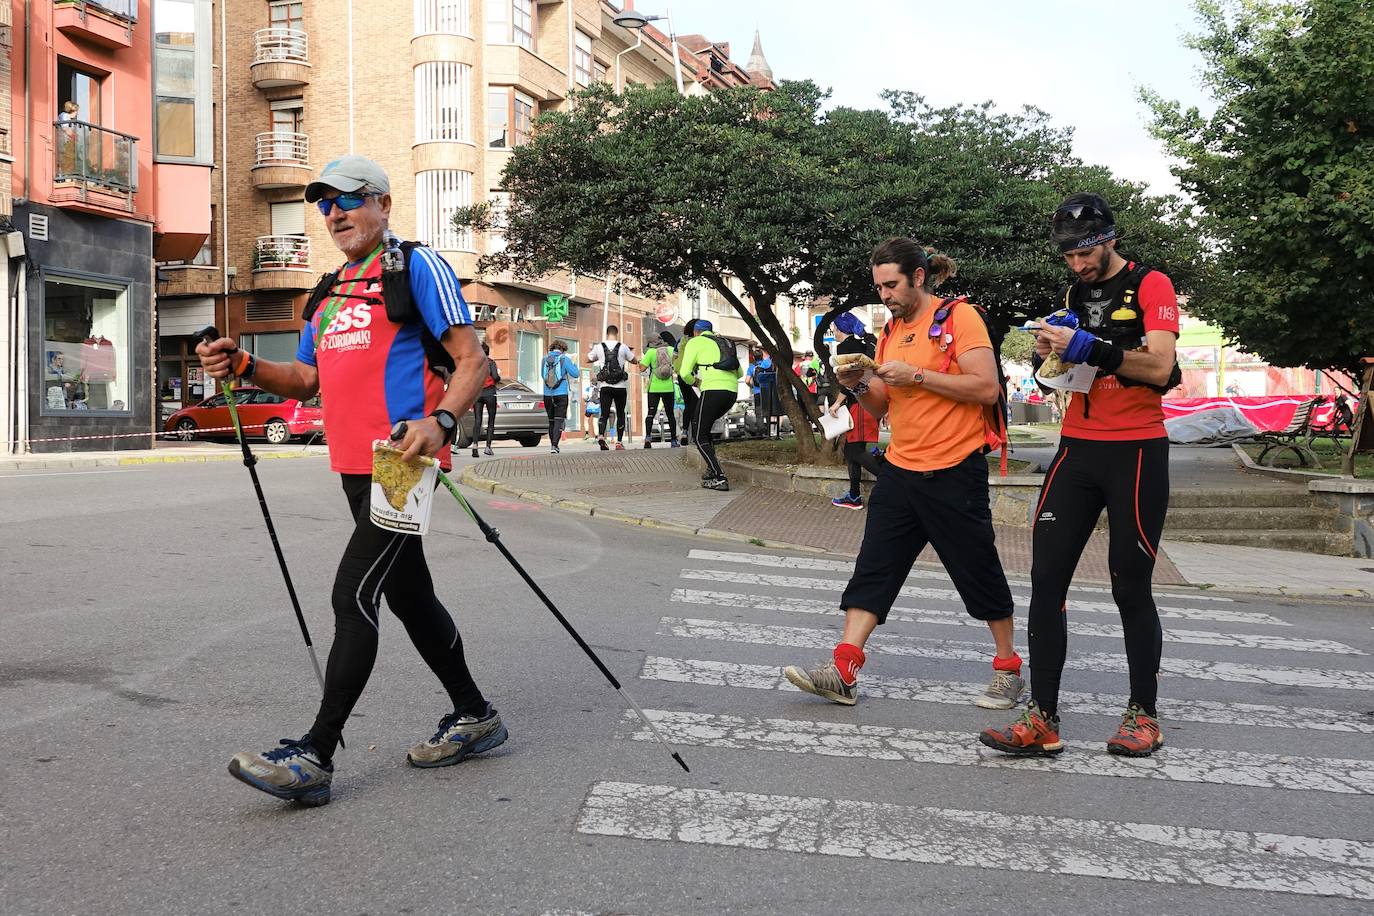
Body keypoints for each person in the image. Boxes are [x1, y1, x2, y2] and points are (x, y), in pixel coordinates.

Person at [197, 155, 505, 806]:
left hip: (402, 463)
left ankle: (315, 755)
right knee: (410, 597)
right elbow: (305, 380)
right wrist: (245, 362)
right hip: (350, 468)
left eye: (349, 199)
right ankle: (474, 713)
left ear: (384, 204)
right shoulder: (330, 291)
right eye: (324, 203)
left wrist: (442, 421)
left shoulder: (416, 266)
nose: (335, 212)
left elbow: (472, 360)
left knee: (353, 595)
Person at [782, 238, 1023, 710]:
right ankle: (844, 669)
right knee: (875, 566)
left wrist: (915, 376)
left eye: (891, 285)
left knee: (977, 570)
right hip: (902, 468)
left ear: (917, 277)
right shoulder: (890, 331)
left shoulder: (959, 318)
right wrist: (858, 386)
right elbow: (884, 405)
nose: (885, 295)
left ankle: (1008, 668)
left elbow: (986, 387)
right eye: (878, 287)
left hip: (954, 468)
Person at [981, 193, 1180, 759]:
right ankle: (1042, 717)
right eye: (1068, 256)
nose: (1077, 265)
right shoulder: (1075, 292)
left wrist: (1094, 346)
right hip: (1078, 448)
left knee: (1129, 584)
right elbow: (1068, 376)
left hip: (1136, 450)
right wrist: (1055, 357)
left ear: (1110, 238)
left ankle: (1144, 715)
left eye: (1085, 253)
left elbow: (1162, 368)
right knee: (1045, 580)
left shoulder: (1151, 285)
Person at [826, 311, 883, 510]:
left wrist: (837, 403)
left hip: (859, 404)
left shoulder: (845, 347)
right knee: (852, 452)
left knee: (853, 450)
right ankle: (854, 496)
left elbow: (851, 379)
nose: (832, 329)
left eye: (833, 325)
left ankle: (892, 481)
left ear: (841, 327)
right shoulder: (860, 345)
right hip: (865, 402)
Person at [679, 320, 741, 491]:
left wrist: (696, 382)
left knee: (699, 435)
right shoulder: (725, 342)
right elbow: (740, 372)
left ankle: (720, 476)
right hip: (731, 392)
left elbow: (684, 373)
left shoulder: (695, 342)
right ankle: (710, 471)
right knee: (704, 431)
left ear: (696, 332)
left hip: (712, 391)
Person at [586, 325, 636, 450]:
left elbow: (587, 359)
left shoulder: (599, 347)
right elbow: (634, 360)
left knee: (604, 413)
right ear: (617, 333)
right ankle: (619, 442)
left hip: (605, 386)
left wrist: (599, 358)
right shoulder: (623, 347)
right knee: (620, 413)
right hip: (620, 387)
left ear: (607, 333)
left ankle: (601, 436)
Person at [640, 331, 680, 448]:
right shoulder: (671, 350)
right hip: (668, 387)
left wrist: (641, 362)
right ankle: (673, 441)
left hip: (654, 388)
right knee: (670, 414)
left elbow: (642, 368)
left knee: (651, 413)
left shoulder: (650, 352)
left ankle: (648, 438)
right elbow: (677, 365)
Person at [540, 339, 579, 454]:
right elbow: (575, 374)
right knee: (558, 420)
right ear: (562, 349)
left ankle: (552, 444)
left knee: (551, 420)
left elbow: (543, 375)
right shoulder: (565, 359)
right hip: (561, 393)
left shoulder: (544, 359)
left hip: (547, 394)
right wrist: (574, 363)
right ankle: (555, 445)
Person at [675, 319, 702, 446]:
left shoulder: (680, 341)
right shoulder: (698, 341)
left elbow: (674, 358)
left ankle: (685, 432)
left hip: (682, 376)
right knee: (697, 404)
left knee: (687, 405)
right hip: (695, 376)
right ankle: (697, 435)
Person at [471, 341, 500, 457]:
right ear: (488, 352)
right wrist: (498, 378)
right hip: (490, 393)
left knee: (477, 420)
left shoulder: (475, 363)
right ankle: (488, 447)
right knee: (491, 420)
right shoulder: (491, 363)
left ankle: (475, 445)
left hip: (477, 394)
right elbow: (495, 377)